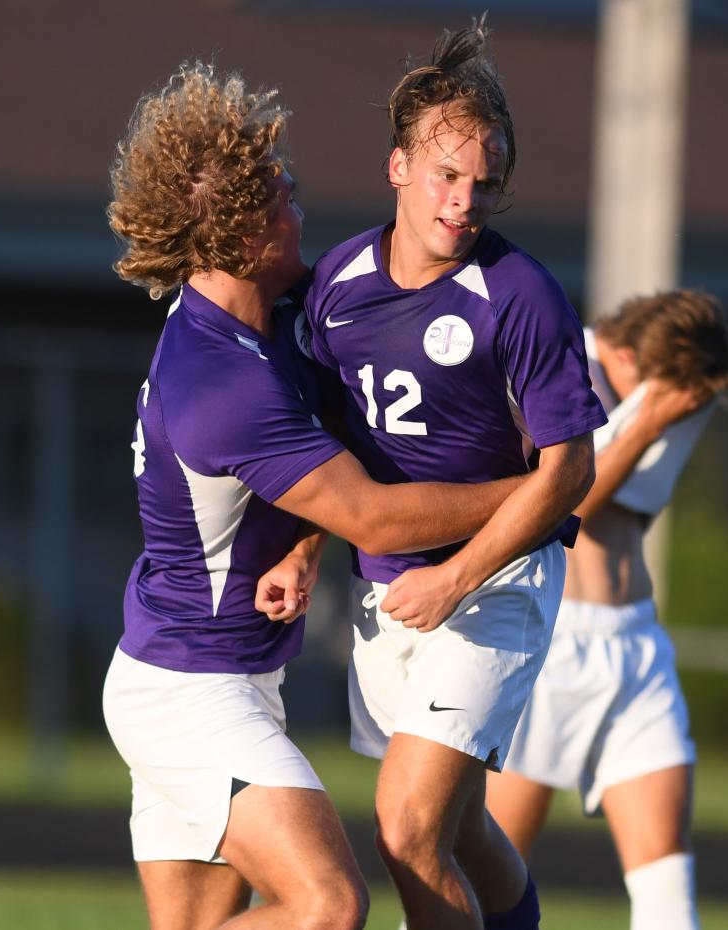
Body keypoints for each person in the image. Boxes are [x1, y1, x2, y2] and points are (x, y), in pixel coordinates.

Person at [101, 62, 537, 930]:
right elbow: (371, 511)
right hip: (189, 689)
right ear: (234, 236)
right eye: (281, 200)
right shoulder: (219, 381)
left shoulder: (274, 317)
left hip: (218, 674)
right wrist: (536, 490)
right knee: (327, 907)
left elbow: (342, 435)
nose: (299, 208)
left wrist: (300, 548)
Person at [271, 17, 607, 930]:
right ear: (398, 169)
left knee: (407, 829)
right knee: (458, 833)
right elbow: (324, 444)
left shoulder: (522, 294)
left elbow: (569, 470)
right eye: (446, 176)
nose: (465, 201)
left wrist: (458, 575)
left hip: (493, 583)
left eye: (484, 184)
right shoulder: (337, 282)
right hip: (387, 595)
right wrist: (304, 548)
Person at [486, 290, 728, 930]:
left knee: (667, 886)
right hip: (547, 645)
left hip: (635, 645)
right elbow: (568, 504)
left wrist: (669, 406)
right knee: (482, 879)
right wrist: (650, 416)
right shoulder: (555, 360)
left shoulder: (672, 388)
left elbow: (636, 510)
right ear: (624, 352)